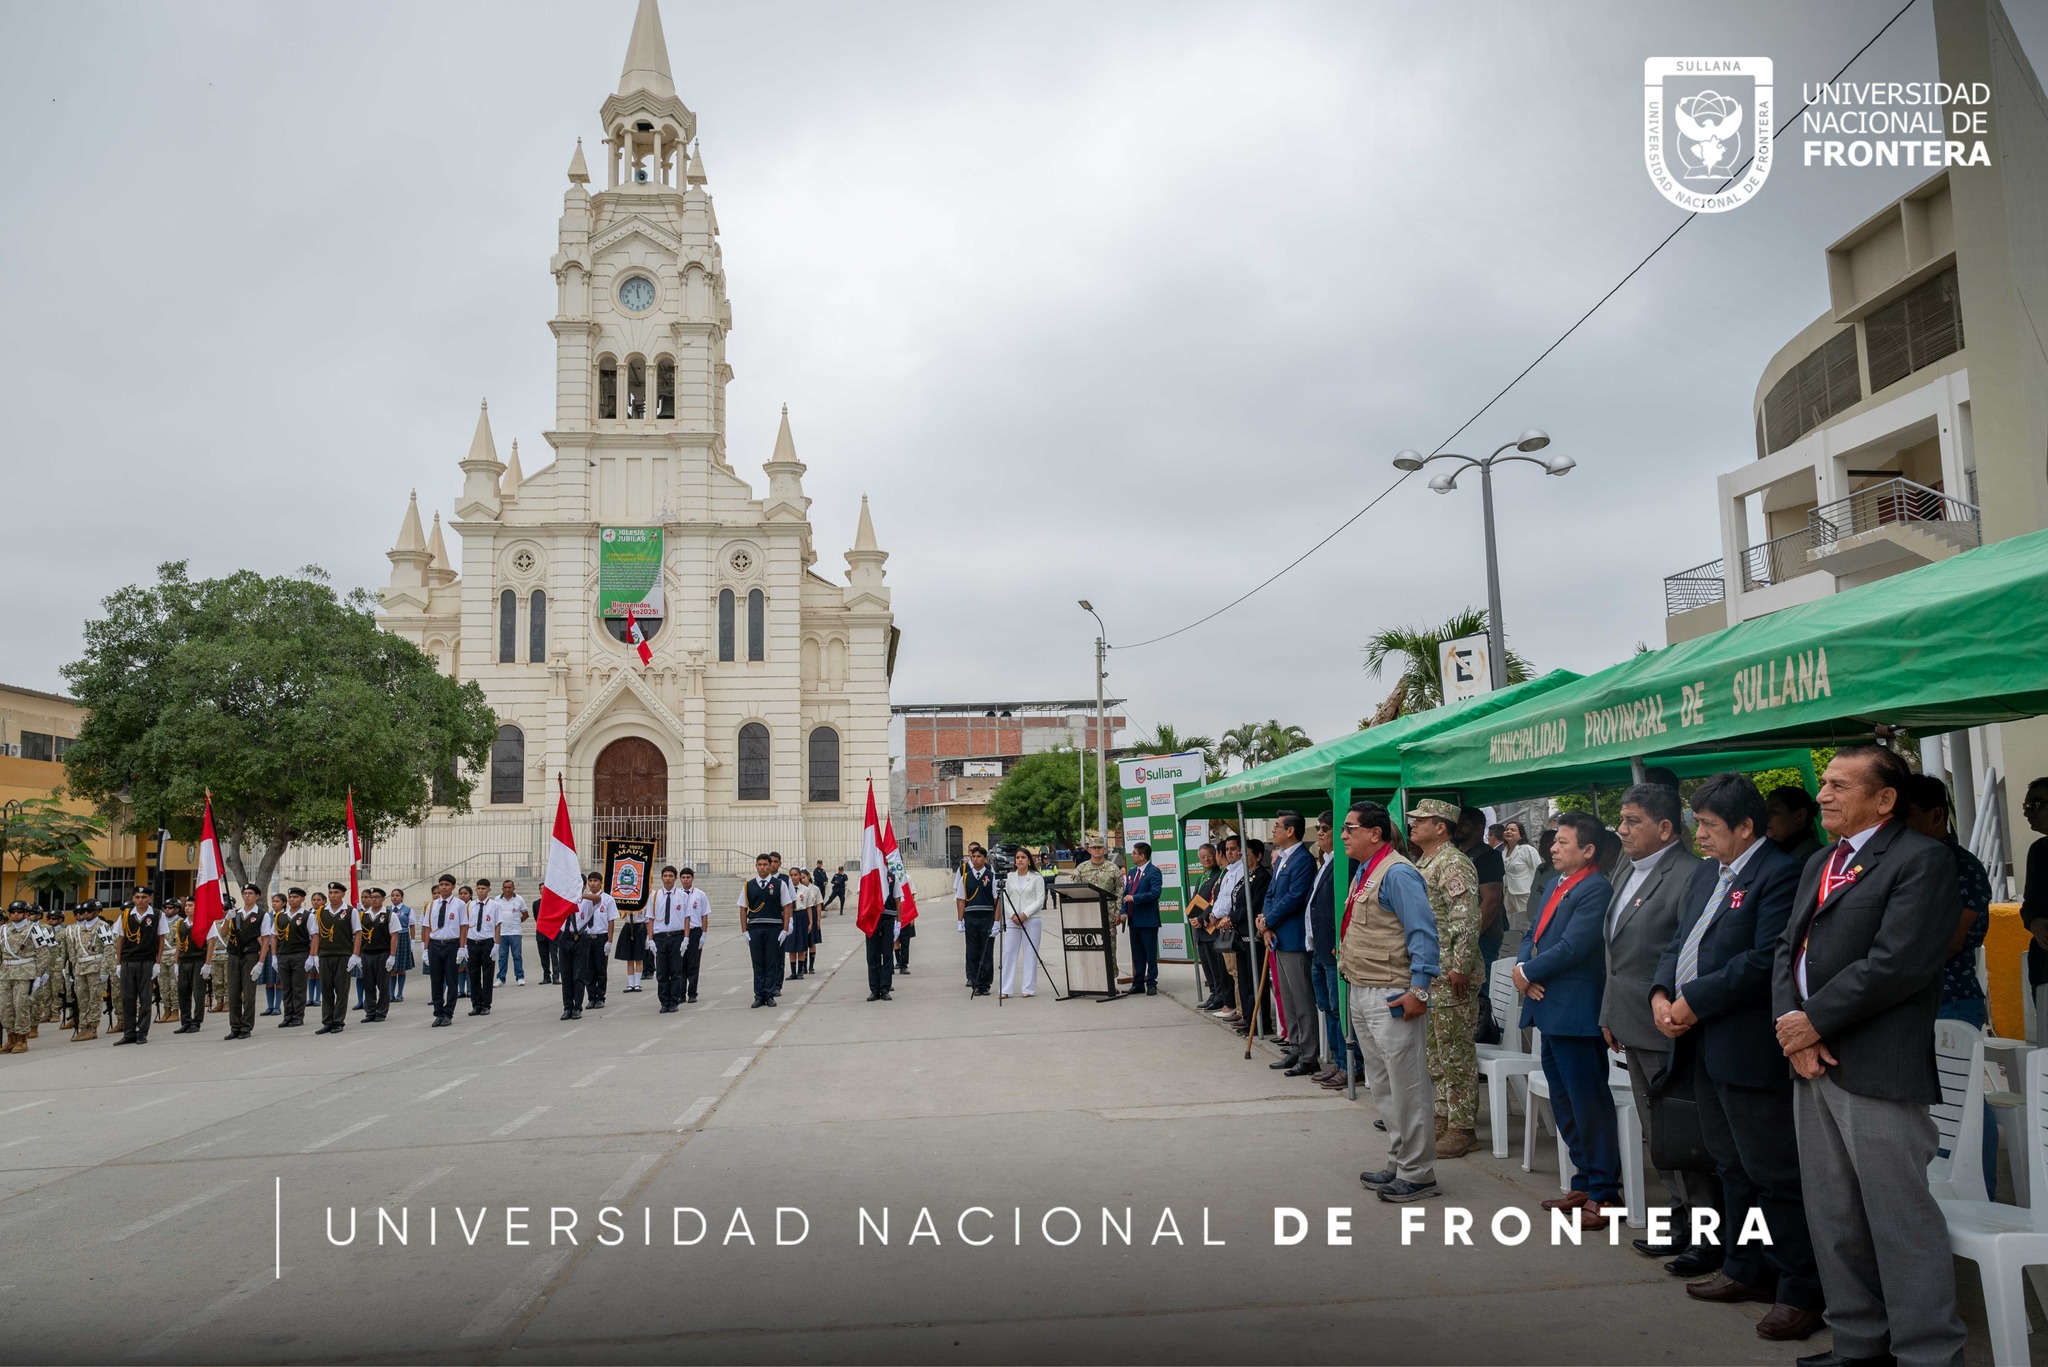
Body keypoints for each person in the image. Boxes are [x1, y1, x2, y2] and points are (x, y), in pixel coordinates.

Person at [1772, 744, 1965, 1366]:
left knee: (1898, 1222)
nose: (1822, 794)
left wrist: (1812, 1022)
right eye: (1824, 782)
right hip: (1813, 1062)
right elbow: (1786, 950)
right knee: (1835, 1219)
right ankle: (1858, 1346)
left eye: (1838, 785)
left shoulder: (1922, 860)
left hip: (1877, 1065)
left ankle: (1928, 1355)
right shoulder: (1821, 862)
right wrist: (1791, 1028)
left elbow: (1899, 962)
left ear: (1884, 799)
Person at [1650, 773, 1822, 1341]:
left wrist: (1691, 1002)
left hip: (1747, 1046)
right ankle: (1744, 1267)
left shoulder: (1781, 874)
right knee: (1729, 1166)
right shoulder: (1707, 875)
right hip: (1701, 1044)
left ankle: (1799, 1289)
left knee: (1772, 1171)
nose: (1699, 835)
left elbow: (1762, 961)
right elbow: (1681, 942)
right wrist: (1660, 993)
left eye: (1708, 825)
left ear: (1746, 827)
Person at [1598, 783, 1713, 1259]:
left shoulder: (1690, 875)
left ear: (1666, 827)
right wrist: (1609, 1012)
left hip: (1670, 1024)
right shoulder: (1629, 869)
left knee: (1685, 1134)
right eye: (1621, 820)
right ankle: (1679, 1216)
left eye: (1632, 821)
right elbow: (1616, 954)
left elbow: (1690, 953)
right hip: (1629, 1021)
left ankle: (1707, 1231)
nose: (1621, 830)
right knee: (1657, 1132)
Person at [1514, 811, 1619, 1227]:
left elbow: (1575, 947)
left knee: (1588, 1102)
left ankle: (1605, 1192)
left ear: (1588, 850)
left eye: (1562, 842)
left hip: (1575, 1011)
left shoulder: (1595, 888)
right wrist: (1523, 969)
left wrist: (1528, 973)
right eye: (1554, 841)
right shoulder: (1558, 883)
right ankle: (1583, 1179)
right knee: (1564, 1101)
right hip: (1549, 1008)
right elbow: (1531, 933)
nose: (1553, 848)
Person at [1338, 800, 1442, 1204]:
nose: (1343, 835)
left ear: (1374, 833)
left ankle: (1419, 1173)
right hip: (1363, 989)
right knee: (1382, 1084)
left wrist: (1419, 989)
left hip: (1392, 992)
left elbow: (1422, 932)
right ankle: (1400, 1160)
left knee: (1408, 1086)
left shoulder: (1397, 872)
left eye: (1349, 828)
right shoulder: (1366, 870)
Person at [1410, 799, 1483, 1159]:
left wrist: (1461, 966)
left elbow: (1466, 918)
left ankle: (1463, 1127)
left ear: (1441, 826)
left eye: (1420, 820)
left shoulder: (1453, 863)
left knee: (1456, 1053)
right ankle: (1442, 1115)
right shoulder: (1426, 862)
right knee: (1435, 1053)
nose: (1413, 825)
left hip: (1451, 973)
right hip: (1431, 973)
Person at [1254, 812, 1316, 1069]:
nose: (1273, 831)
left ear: (1291, 831)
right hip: (1277, 936)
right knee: (1287, 997)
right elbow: (1271, 894)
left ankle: (1309, 1054)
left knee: (1301, 998)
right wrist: (1266, 925)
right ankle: (1294, 1046)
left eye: (1277, 827)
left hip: (1294, 937)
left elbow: (1294, 897)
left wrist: (1269, 921)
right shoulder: (1281, 860)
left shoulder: (1303, 860)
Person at [1304, 815, 1351, 1088]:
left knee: (1338, 1009)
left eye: (1325, 829)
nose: (1319, 833)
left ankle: (1349, 1065)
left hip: (1334, 949)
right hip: (1318, 947)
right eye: (1318, 829)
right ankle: (1337, 1063)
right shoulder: (1326, 862)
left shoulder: (1344, 863)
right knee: (1327, 1007)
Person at [1455, 805, 1508, 1005]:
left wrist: (1471, 938)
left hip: (1482, 937)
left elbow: (1491, 902)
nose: (1458, 828)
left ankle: (1484, 1035)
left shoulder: (1488, 857)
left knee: (1480, 997)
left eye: (1464, 825)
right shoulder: (1456, 853)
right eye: (1457, 824)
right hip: (1461, 938)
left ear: (1479, 829)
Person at [111, 888, 170, 1047]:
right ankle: (129, 1033)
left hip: (146, 961)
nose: (141, 900)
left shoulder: (157, 915)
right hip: (128, 961)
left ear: (150, 898)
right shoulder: (125, 915)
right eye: (137, 897)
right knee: (127, 998)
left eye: (144, 897)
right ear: (133, 898)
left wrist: (157, 963)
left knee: (145, 999)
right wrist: (118, 963)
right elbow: (120, 940)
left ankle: (142, 1032)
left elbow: (161, 940)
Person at [60, 898, 115, 1043]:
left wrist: (105, 970)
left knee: (95, 999)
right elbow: (73, 950)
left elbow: (109, 948)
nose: (86, 914)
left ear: (97, 912)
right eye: (83, 911)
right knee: (82, 1000)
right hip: (80, 968)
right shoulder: (77, 928)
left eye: (89, 911)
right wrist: (72, 969)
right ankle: (83, 1026)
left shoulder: (102, 926)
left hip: (96, 967)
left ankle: (92, 1028)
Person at [1071, 837, 1125, 985]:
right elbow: (1073, 890)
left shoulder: (1113, 868)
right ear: (1089, 850)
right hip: (1087, 916)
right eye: (1094, 847)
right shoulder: (1081, 869)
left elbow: (1120, 891)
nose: (1097, 850)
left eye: (1099, 847)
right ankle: (1092, 981)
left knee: (1110, 949)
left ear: (1104, 849)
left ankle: (1110, 982)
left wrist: (1118, 912)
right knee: (1090, 948)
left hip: (1108, 915)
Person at [313, 882, 362, 1035]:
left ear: (343, 894)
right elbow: (316, 935)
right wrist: (314, 955)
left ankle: (338, 1021)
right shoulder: (321, 912)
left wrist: (355, 955)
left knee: (341, 990)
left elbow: (358, 933)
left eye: (336, 893)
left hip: (343, 955)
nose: (333, 895)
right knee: (326, 989)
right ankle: (327, 1021)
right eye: (331, 892)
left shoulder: (350, 911)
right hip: (325, 955)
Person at [739, 855, 789, 1007]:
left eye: (765, 864)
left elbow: (787, 906)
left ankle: (770, 994)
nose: (762, 867)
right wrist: (744, 931)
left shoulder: (779, 884)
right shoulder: (749, 885)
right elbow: (742, 908)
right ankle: (759, 995)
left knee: (771, 962)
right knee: (758, 962)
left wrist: (785, 930)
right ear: (756, 866)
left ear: (770, 866)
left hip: (773, 928)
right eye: (759, 864)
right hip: (754, 928)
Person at [219, 884, 266, 1040]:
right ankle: (235, 1026)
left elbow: (265, 941)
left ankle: (246, 1026)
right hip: (234, 955)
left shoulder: (261, 915)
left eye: (250, 893)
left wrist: (260, 962)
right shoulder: (235, 914)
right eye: (245, 893)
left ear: (257, 896)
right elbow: (223, 934)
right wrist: (227, 919)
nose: (247, 896)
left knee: (248, 993)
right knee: (233, 993)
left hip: (250, 955)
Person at [1000, 847, 1047, 998]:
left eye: (1023, 857)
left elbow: (1040, 900)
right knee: (1008, 953)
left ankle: (1028, 988)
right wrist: (1013, 914)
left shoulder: (1036, 877)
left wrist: (1025, 914)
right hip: (1012, 920)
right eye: (1017, 857)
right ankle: (1005, 989)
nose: (1019, 860)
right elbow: (1005, 899)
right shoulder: (1009, 877)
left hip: (1031, 920)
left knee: (1030, 953)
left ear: (1028, 860)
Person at [1121, 842, 1167, 997]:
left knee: (1150, 954)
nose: (1132, 856)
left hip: (1148, 921)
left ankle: (1152, 983)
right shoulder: (1132, 872)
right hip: (1134, 920)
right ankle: (1138, 983)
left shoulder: (1154, 872)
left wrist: (1135, 898)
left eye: (1134, 853)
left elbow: (1155, 894)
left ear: (1142, 856)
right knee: (1137, 954)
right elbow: (1125, 894)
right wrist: (1124, 911)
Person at [422, 875, 467, 1028]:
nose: (443, 887)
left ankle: (448, 1013)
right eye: (441, 884)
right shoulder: (432, 905)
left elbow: (463, 927)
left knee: (451, 980)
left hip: (451, 945)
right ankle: (438, 1012)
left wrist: (462, 947)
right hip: (435, 945)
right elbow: (427, 928)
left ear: (453, 886)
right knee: (436, 981)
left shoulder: (460, 905)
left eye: (447, 884)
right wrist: (425, 949)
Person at [954, 844, 999, 996]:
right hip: (971, 917)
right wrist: (960, 920)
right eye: (973, 856)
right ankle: (974, 981)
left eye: (979, 856)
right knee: (972, 951)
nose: (976, 859)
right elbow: (960, 899)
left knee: (986, 952)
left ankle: (985, 984)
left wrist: (996, 921)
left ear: (985, 859)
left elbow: (996, 900)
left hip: (986, 917)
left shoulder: (991, 876)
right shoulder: (965, 877)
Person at [1187, 843, 1226, 1010]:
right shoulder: (1202, 877)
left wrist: (1202, 918)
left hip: (1211, 927)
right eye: (1202, 857)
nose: (1206, 859)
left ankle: (1220, 995)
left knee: (1216, 965)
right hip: (1200, 929)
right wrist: (1193, 917)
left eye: (1209, 855)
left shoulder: (1219, 875)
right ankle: (1213, 993)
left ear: (1216, 855)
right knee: (1207, 965)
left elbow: (1214, 902)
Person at [649, 865, 692, 1012]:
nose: (668, 878)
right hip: (660, 937)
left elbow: (687, 919)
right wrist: (650, 939)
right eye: (665, 876)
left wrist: (686, 938)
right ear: (661, 878)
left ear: (675, 878)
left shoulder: (683, 896)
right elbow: (650, 919)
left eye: (670, 876)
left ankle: (674, 1001)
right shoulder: (654, 896)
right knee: (662, 972)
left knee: (675, 971)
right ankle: (664, 1001)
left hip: (676, 936)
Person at [0, 902, 42, 1052]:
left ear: (26, 913)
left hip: (25, 972)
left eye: (19, 911)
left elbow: (44, 953)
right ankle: (10, 1038)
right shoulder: (4, 929)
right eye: (13, 912)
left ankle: (22, 1040)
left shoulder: (34, 928)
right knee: (5, 1007)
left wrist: (39, 976)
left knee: (21, 1006)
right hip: (6, 972)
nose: (15, 914)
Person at [274, 887, 314, 1028]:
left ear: (302, 899)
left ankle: (298, 1016)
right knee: (286, 988)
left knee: (298, 987)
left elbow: (314, 936)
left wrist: (312, 956)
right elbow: (275, 936)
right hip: (284, 955)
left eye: (296, 897)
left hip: (300, 954)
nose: (292, 900)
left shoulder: (308, 915)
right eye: (290, 897)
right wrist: (274, 956)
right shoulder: (281, 916)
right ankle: (288, 1016)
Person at [357, 887, 395, 1023]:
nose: (373, 899)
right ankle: (370, 1011)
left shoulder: (389, 915)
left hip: (382, 953)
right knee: (368, 984)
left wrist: (392, 956)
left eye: (377, 897)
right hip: (367, 954)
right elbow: (359, 936)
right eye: (371, 897)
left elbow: (394, 936)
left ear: (383, 899)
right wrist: (357, 955)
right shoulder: (363, 916)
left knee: (383, 985)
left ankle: (381, 1012)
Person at [577, 874, 615, 1007]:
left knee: (601, 969)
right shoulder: (583, 899)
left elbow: (611, 921)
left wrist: (609, 941)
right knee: (588, 970)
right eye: (590, 881)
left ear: (601, 882)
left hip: (601, 937)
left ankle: (600, 997)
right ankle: (591, 997)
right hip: (587, 937)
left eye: (595, 881)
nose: (593, 884)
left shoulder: (608, 899)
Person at [865, 858, 900, 1002]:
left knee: (887, 955)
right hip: (872, 921)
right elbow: (862, 899)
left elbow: (898, 900)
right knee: (872, 956)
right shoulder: (867, 877)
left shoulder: (892, 878)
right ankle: (874, 989)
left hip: (888, 919)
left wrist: (899, 922)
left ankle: (885, 988)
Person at [173, 898, 208, 1034]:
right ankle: (185, 1021)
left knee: (198, 993)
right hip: (183, 961)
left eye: (191, 906)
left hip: (198, 960)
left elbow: (210, 943)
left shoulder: (203, 923)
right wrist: (176, 963)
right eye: (186, 906)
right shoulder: (181, 924)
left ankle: (197, 1021)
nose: (187, 908)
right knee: (183, 991)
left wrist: (207, 964)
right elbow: (179, 944)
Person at [1765, 786, 1825, 866]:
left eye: (1771, 812)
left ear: (1799, 816)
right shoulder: (1781, 850)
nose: (1765, 818)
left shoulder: (1809, 858)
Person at [1501, 820, 1541, 935]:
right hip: (1508, 893)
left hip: (1525, 893)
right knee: (1512, 924)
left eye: (1513, 830)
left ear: (1520, 834)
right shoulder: (1504, 851)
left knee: (1527, 924)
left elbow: (1538, 870)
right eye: (1507, 829)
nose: (1508, 832)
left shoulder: (1527, 849)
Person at [613, 882, 650, 994]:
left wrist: (648, 936)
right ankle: (630, 983)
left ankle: (637, 983)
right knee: (629, 958)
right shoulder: (623, 901)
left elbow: (647, 919)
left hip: (639, 927)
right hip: (628, 926)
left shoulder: (643, 901)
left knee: (639, 957)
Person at [492, 878, 528, 987]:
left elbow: (525, 914)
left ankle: (520, 977)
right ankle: (500, 978)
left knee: (517, 955)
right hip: (502, 933)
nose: (507, 889)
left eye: (509, 887)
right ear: (502, 888)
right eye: (505, 887)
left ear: (513, 888)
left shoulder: (519, 899)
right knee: (502, 956)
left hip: (515, 932)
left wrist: (516, 922)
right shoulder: (497, 899)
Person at [260, 892, 286, 1016]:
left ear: (284, 904)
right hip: (268, 949)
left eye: (277, 901)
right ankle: (269, 1006)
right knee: (269, 980)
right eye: (273, 901)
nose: (275, 903)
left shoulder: (285, 916)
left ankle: (277, 1006)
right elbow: (259, 932)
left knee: (279, 980)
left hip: (281, 950)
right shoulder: (267, 916)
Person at [388, 887, 413, 1003]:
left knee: (401, 968)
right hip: (390, 938)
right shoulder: (387, 910)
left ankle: (400, 994)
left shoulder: (407, 909)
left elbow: (411, 925)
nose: (395, 897)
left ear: (402, 897)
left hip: (403, 937)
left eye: (397, 895)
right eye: (393, 895)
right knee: (392, 968)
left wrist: (412, 941)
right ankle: (390, 994)